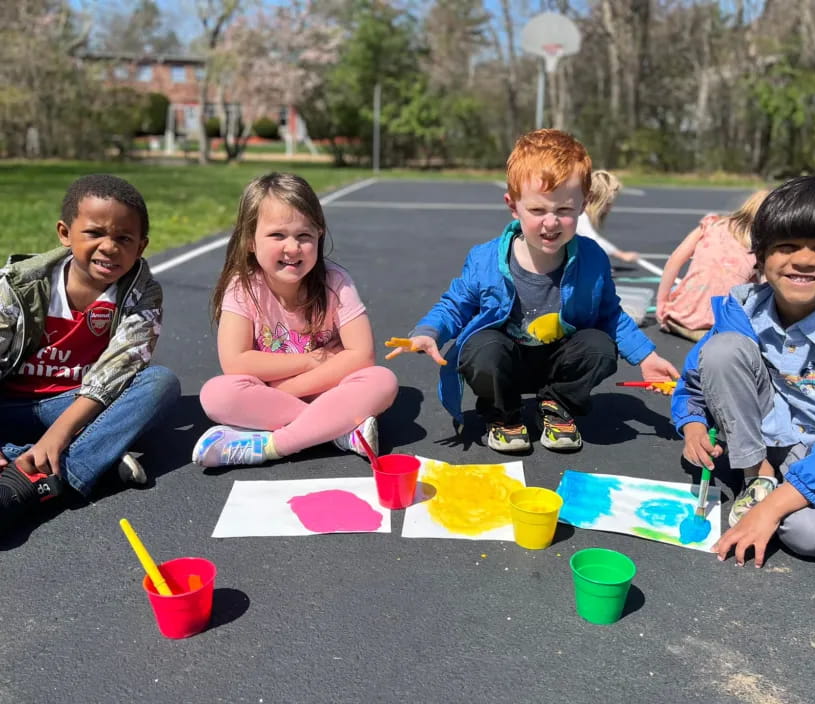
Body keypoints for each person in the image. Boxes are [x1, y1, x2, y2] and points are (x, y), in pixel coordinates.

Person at [387, 129, 678, 453]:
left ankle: (556, 405)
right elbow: (455, 305)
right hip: (503, 362)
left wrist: (647, 356)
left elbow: (610, 315)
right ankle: (503, 415)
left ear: (582, 206)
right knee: (480, 347)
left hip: (557, 361)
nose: (551, 223)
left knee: (599, 346)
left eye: (564, 211)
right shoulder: (486, 259)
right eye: (538, 211)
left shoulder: (592, 259)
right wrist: (430, 331)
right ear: (513, 206)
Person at [671, 175, 815, 567]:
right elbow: (694, 379)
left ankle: (776, 492)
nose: (804, 259)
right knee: (722, 349)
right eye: (786, 246)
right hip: (760, 439)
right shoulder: (741, 309)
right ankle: (757, 475)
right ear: (761, 257)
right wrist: (692, 423)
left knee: (812, 537)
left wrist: (774, 509)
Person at [0, 174, 180, 534]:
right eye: (95, 233)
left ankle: (46, 480)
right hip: (9, 407)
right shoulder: (17, 286)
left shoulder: (143, 296)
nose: (109, 247)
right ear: (65, 233)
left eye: (124, 238)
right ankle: (85, 459)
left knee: (161, 383)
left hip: (75, 407)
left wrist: (59, 435)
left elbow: (120, 369)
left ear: (141, 246)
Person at [192, 172, 398, 468]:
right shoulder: (242, 287)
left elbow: (362, 356)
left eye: (304, 236)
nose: (292, 248)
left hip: (328, 392)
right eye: (277, 235)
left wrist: (285, 389)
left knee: (382, 381)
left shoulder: (336, 282)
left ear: (319, 234)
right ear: (250, 240)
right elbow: (236, 363)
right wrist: (310, 361)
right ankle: (338, 432)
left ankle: (272, 445)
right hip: (278, 400)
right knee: (216, 394)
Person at [656, 190, 768, 341]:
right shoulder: (761, 243)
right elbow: (767, 285)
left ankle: (685, 318)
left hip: (681, 314)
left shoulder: (712, 223)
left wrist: (661, 303)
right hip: (721, 321)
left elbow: (674, 260)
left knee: (680, 288)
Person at [575, 170, 638, 263]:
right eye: (607, 204)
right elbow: (593, 240)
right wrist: (621, 254)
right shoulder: (580, 216)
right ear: (592, 198)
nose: (610, 208)